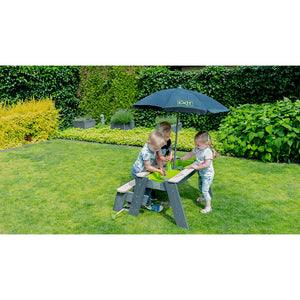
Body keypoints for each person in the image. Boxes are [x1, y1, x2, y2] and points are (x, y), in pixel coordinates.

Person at [180, 131, 219, 214]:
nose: (196, 146)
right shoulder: (198, 149)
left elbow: (207, 165)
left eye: (198, 145)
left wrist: (197, 167)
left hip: (207, 174)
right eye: (196, 144)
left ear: (206, 144)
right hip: (202, 173)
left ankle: (208, 207)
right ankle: (204, 198)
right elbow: (191, 153)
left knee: (205, 190)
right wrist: (184, 158)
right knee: (201, 187)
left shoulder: (207, 152)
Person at [131, 131, 166, 212]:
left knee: (141, 187)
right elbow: (148, 167)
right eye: (154, 148)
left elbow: (157, 159)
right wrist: (158, 171)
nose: (155, 150)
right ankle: (148, 205)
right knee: (146, 186)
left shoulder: (153, 146)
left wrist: (161, 168)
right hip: (137, 172)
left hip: (143, 171)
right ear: (148, 142)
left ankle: (129, 204)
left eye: (157, 148)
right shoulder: (145, 152)